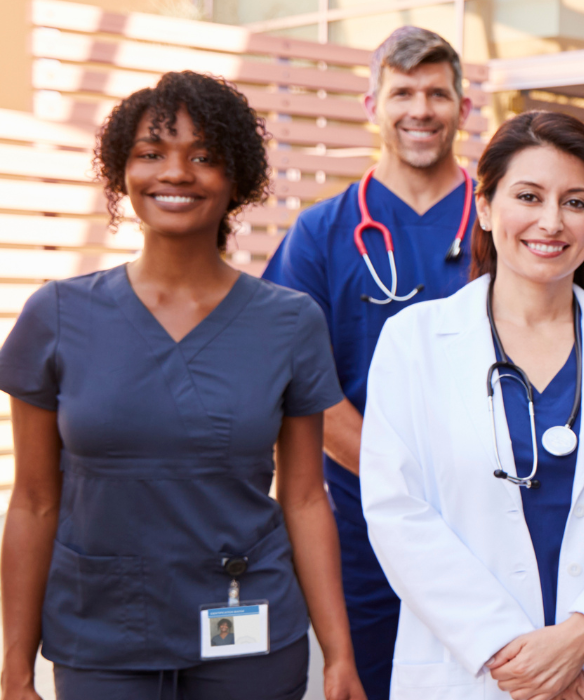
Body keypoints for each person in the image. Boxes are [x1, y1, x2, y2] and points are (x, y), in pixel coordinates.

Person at [0, 71, 363, 700]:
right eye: (151, 154)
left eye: (204, 156)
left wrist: (338, 656)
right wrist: (13, 669)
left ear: (237, 180)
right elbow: (33, 500)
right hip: (101, 636)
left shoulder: (289, 321)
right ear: (122, 173)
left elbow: (305, 499)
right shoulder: (56, 316)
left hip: (248, 635)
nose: (176, 172)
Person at [359, 110, 584, 699]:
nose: (552, 221)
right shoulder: (413, 341)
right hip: (474, 670)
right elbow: (398, 513)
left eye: (575, 202)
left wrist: (578, 639)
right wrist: (524, 660)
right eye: (529, 196)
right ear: (485, 206)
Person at [261, 27, 477, 698]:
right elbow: (302, 384)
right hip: (359, 523)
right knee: (364, 680)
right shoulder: (322, 233)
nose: (421, 110)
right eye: (403, 92)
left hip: (488, 510)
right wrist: (405, 481)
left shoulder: (504, 222)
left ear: (464, 109)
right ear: (371, 104)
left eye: (437, 93)